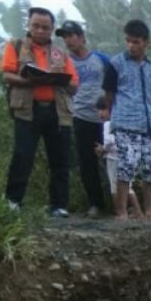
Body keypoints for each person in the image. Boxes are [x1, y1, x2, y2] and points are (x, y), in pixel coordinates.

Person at [0, 7, 79, 217]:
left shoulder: (60, 54)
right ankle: (13, 202)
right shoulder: (15, 46)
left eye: (45, 27)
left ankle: (59, 205)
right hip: (27, 109)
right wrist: (30, 81)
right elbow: (7, 75)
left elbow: (74, 86)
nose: (40, 30)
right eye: (36, 25)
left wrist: (58, 77)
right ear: (29, 25)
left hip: (57, 111)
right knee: (22, 156)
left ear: (52, 29)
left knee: (60, 159)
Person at [102, 19, 151, 221]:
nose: (131, 45)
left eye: (136, 41)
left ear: (145, 42)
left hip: (149, 124)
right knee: (126, 165)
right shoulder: (116, 64)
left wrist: (146, 115)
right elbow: (109, 95)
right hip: (125, 121)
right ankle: (121, 212)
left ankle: (149, 212)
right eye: (128, 41)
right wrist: (116, 117)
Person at [56, 20, 109, 218]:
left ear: (82, 37)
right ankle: (96, 204)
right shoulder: (64, 64)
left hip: (105, 119)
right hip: (80, 117)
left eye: (71, 35)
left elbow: (114, 84)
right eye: (64, 37)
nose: (68, 40)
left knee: (114, 158)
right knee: (87, 163)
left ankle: (123, 201)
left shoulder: (101, 59)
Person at [94, 96, 140, 218]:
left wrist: (103, 149)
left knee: (114, 186)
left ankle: (119, 211)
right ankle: (137, 210)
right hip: (128, 156)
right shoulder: (125, 122)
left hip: (114, 158)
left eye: (103, 109)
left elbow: (109, 141)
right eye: (99, 110)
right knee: (128, 185)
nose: (100, 113)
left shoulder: (108, 124)